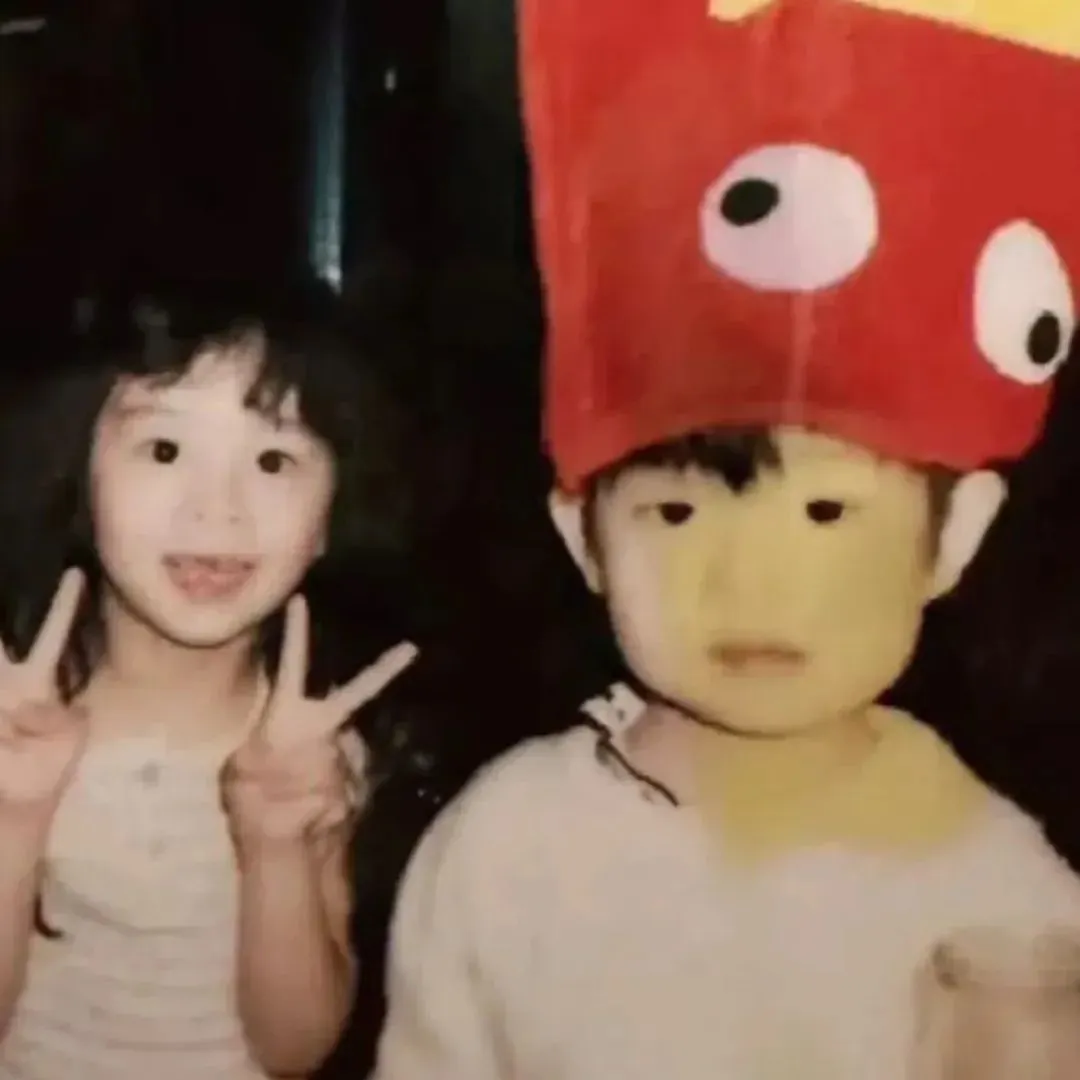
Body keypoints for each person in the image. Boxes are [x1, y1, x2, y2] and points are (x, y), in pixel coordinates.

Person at [372, 2, 1080, 1078]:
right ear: (583, 537)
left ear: (955, 536)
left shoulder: (1004, 893)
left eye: (827, 513)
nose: (754, 582)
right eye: (677, 513)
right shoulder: (508, 847)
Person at [0, 280, 417, 1080]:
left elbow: (294, 1049)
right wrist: (15, 812)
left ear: (331, 516)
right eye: (164, 451)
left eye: (273, 460)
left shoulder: (311, 751)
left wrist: (276, 844)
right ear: (78, 474)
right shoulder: (15, 711)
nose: (216, 511)